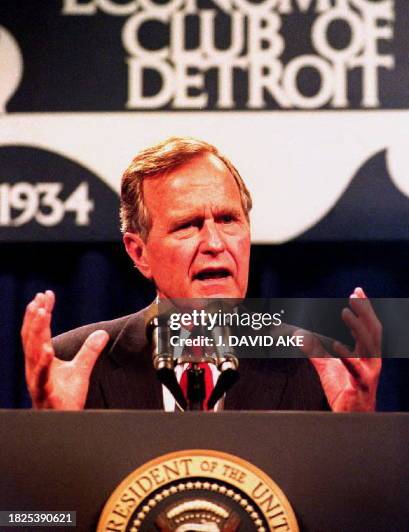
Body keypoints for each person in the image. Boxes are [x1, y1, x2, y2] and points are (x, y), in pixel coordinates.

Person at [21, 137, 382, 411]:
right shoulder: (73, 363)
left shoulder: (317, 367)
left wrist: (352, 430)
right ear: (139, 252)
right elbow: (34, 515)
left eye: (228, 220)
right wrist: (56, 437)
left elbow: (364, 508)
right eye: (188, 225)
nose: (214, 243)